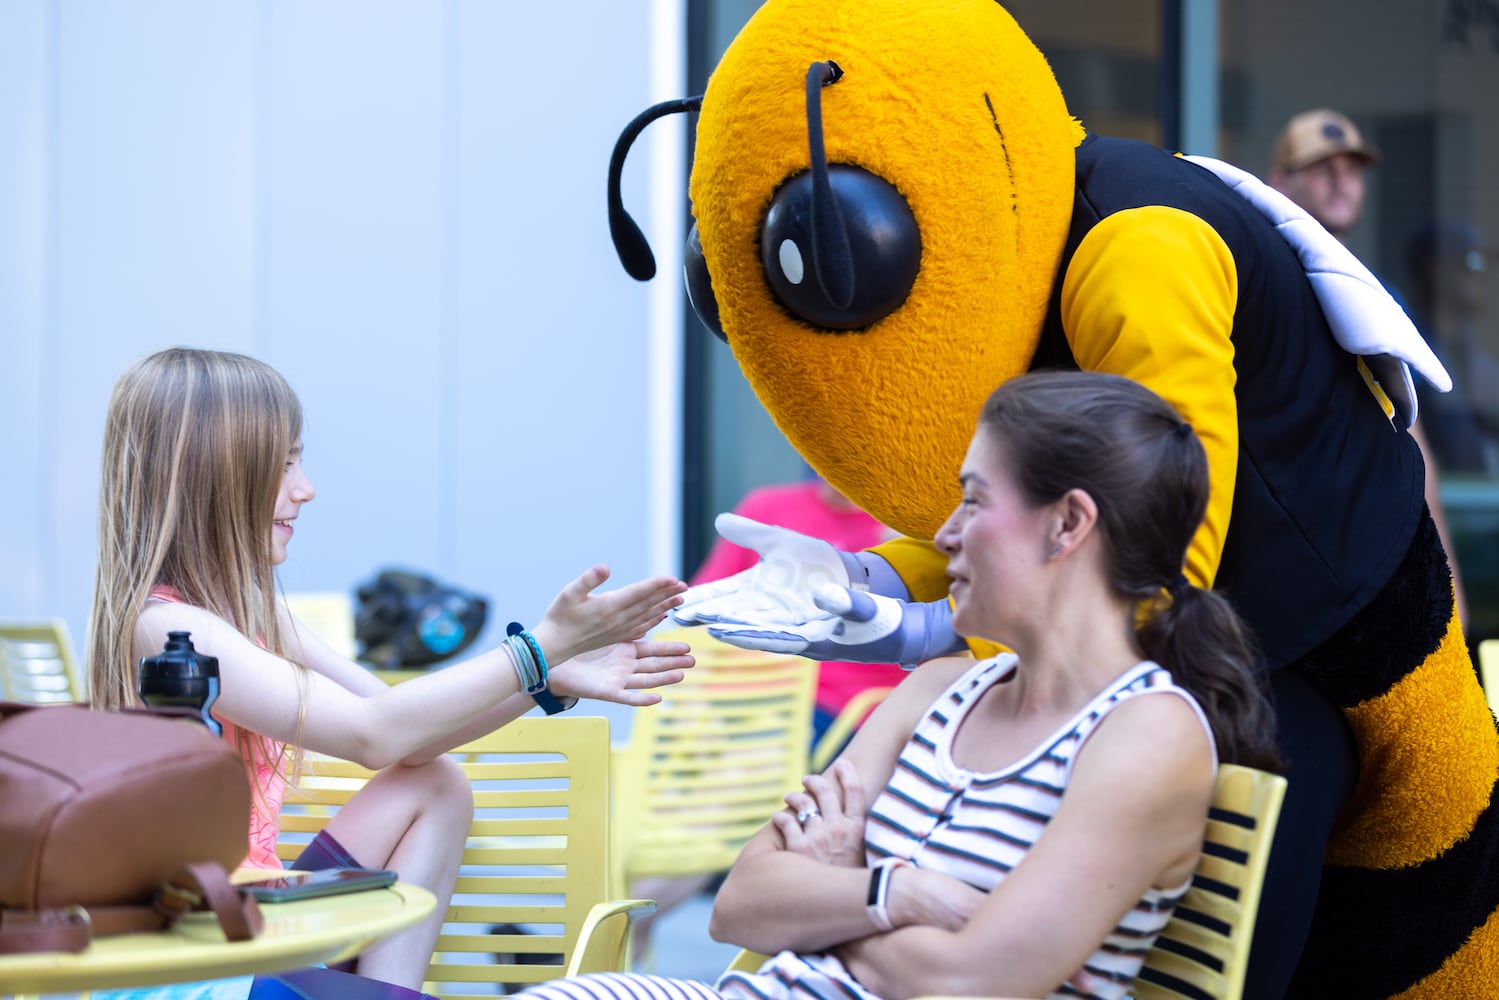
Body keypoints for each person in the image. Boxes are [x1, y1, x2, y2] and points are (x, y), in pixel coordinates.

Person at [511, 370, 1279, 1000]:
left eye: (973, 499)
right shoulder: (938, 688)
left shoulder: (1146, 735)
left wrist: (838, 890)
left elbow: (966, 983)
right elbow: (740, 907)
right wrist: (897, 896)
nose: (944, 532)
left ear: (1067, 524)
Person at [86, 347, 693, 997]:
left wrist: (547, 676)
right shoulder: (169, 629)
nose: (305, 488)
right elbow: (371, 733)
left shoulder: (252, 612)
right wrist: (534, 650)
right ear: (217, 478)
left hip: (250, 925)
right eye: (284, 463)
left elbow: (409, 738)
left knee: (435, 784)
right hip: (196, 971)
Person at [1269, 107, 1470, 626]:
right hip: (1289, 544)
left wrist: (1446, 582)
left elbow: (1411, 435)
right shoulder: (1264, 270)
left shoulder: (1374, 292)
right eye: (1321, 167)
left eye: (1353, 168)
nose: (1342, 181)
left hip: (1366, 543)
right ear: (1280, 181)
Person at [692, 470, 908, 748]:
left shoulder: (906, 530)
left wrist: (904, 558)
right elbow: (700, 609)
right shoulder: (765, 508)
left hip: (844, 710)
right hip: (741, 697)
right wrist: (694, 694)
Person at [1405, 219, 1499, 476]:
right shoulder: (1404, 354)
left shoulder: (1474, 361)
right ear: (1434, 270)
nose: (1484, 274)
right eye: (1473, 262)